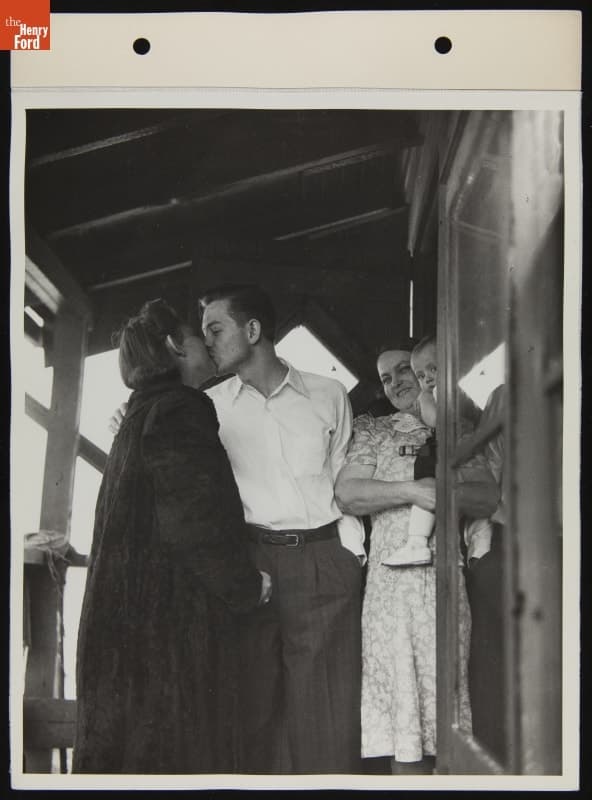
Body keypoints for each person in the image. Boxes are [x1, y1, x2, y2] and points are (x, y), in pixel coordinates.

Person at [73, 299, 270, 774]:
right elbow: (195, 522)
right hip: (168, 631)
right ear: (173, 346)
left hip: (128, 631)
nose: (207, 345)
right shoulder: (182, 408)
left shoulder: (140, 412)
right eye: (198, 337)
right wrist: (247, 586)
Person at [197, 284, 365, 775]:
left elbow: (344, 479)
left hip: (323, 562)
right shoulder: (208, 407)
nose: (208, 341)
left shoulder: (328, 394)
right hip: (252, 568)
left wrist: (348, 556)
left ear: (252, 330)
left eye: (216, 329)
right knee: (252, 709)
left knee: (326, 714)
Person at [334, 345, 473, 774]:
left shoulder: (460, 425)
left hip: (445, 583)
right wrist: (412, 492)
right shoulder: (376, 430)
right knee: (402, 727)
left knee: (447, 712)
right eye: (386, 378)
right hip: (391, 591)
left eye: (402, 370)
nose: (395, 382)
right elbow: (348, 493)